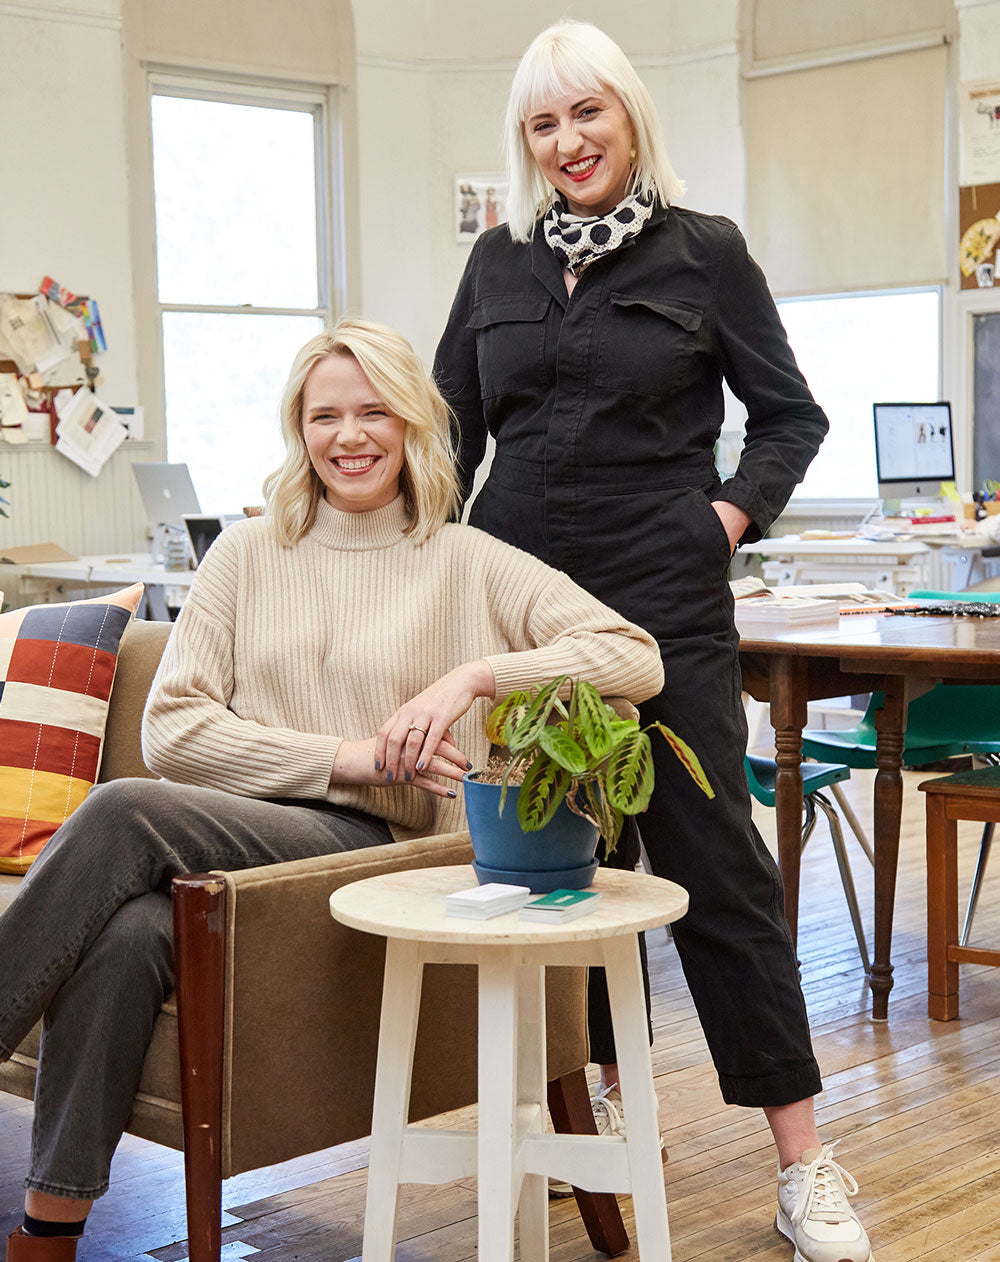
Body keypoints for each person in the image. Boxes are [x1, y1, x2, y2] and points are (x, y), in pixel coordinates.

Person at [0, 318, 664, 1261]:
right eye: (324, 416)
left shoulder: (466, 559)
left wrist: (474, 676)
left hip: (383, 858)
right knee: (130, 933)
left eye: (372, 412)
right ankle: (47, 1236)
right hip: (261, 833)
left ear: (412, 425)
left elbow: (634, 657)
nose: (348, 437)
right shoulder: (244, 555)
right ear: (298, 430)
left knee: (118, 808)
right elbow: (175, 729)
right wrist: (348, 756)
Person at [433, 20, 873, 1262]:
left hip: (663, 601)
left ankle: (803, 1162)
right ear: (524, 141)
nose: (568, 141)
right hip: (520, 598)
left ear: (629, 118)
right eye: (542, 123)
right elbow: (448, 431)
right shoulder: (497, 264)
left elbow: (790, 415)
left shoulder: (704, 253)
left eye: (588, 115)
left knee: (714, 870)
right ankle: (589, 1097)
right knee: (546, 867)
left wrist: (720, 519)